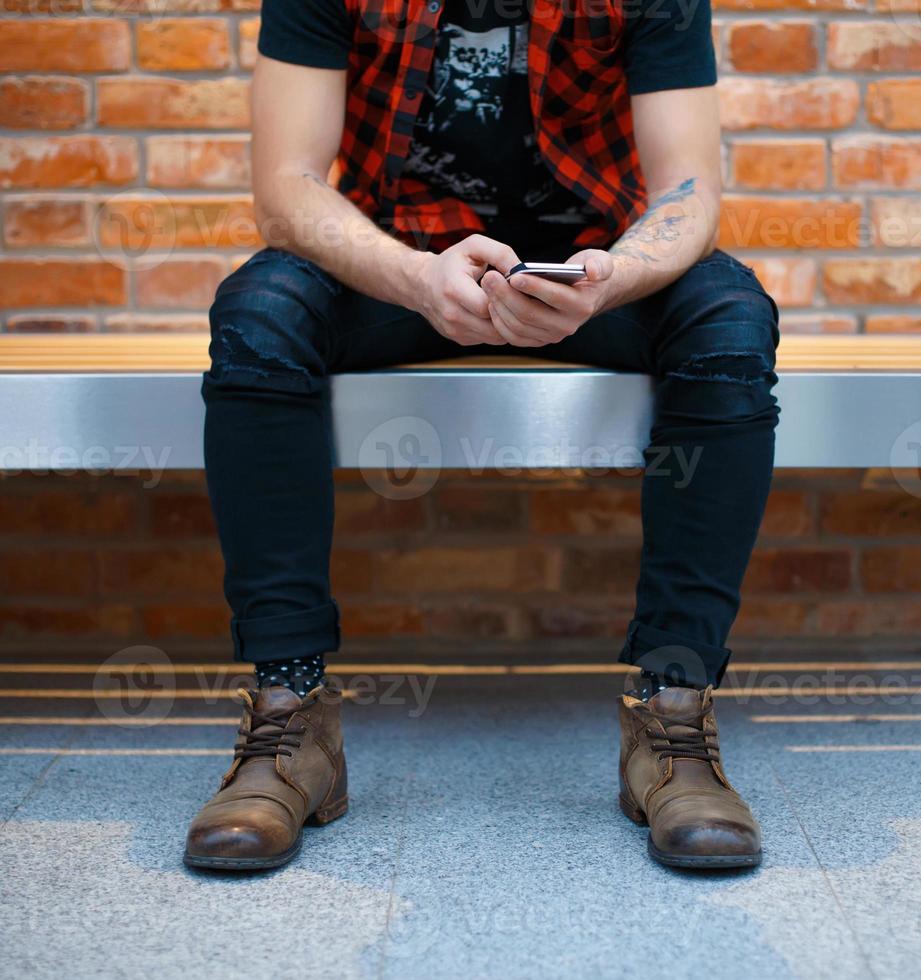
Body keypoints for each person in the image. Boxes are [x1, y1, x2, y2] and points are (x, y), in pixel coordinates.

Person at [183, 0, 780, 872]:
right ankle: (291, 718)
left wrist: (613, 277)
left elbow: (689, 192)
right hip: (398, 265)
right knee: (260, 311)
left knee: (728, 316)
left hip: (586, 271)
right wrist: (418, 279)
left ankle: (672, 719)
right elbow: (286, 188)